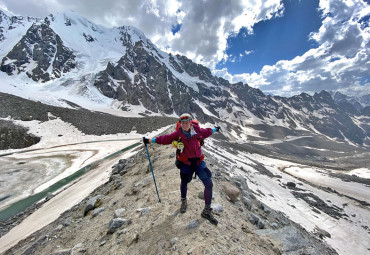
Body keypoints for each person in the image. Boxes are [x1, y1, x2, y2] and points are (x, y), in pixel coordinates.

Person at [143, 113, 220, 225]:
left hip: (198, 162)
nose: (184, 125)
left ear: (190, 122)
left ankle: (207, 211)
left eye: (186, 122)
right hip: (186, 163)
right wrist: (150, 141)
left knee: (209, 184)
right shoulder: (178, 134)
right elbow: (164, 139)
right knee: (184, 182)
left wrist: (215, 129)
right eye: (182, 123)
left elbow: (208, 132)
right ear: (180, 123)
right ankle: (183, 201)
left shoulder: (198, 130)